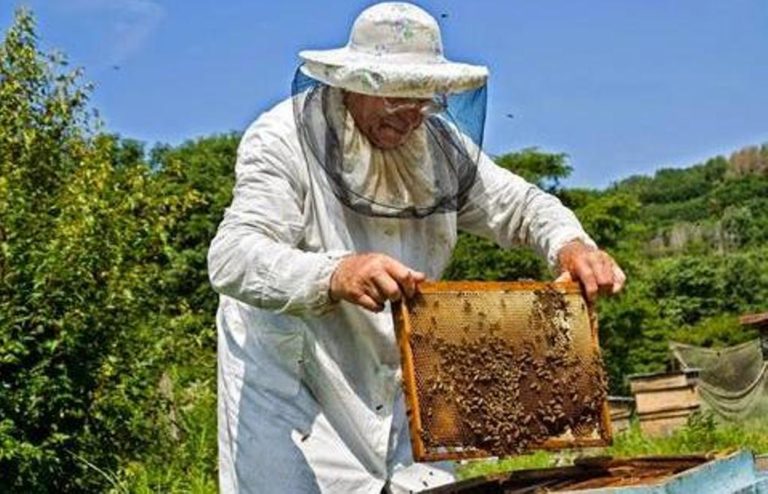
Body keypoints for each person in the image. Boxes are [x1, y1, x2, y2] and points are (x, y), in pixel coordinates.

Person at [207, 2, 625, 493]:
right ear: (353, 83)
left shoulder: (440, 145)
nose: (410, 115)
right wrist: (333, 275)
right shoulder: (281, 140)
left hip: (404, 390)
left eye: (423, 99)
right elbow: (232, 256)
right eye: (394, 97)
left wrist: (571, 246)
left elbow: (522, 205)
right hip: (294, 390)